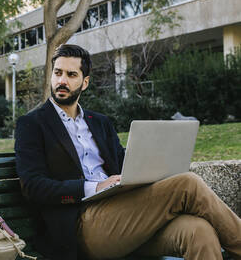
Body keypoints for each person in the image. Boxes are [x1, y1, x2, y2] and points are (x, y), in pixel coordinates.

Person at [14, 44, 241, 260]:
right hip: (81, 224)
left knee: (199, 232)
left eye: (71, 75)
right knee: (187, 184)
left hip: (125, 214)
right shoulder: (32, 124)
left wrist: (151, 170)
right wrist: (93, 187)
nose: (62, 81)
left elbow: (126, 166)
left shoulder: (99, 122)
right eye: (58, 73)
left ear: (85, 82)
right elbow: (33, 187)